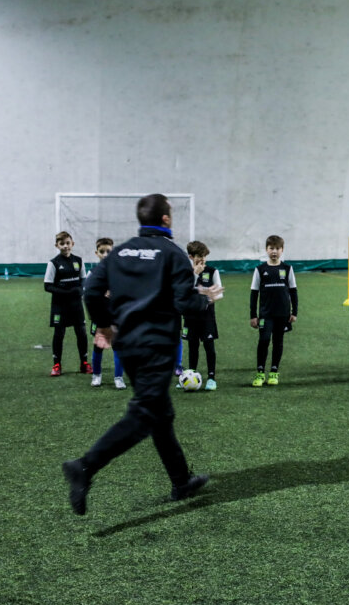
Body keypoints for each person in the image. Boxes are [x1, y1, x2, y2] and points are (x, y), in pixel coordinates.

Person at [61, 193, 222, 515]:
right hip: (156, 347)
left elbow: (90, 291)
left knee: (160, 414)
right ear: (165, 219)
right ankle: (84, 466)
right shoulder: (172, 254)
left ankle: (181, 481)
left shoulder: (119, 252)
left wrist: (105, 326)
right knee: (145, 415)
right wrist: (207, 299)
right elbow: (185, 303)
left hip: (128, 347)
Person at [250, 235, 298, 387]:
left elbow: (293, 291)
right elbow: (254, 293)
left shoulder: (287, 269)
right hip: (266, 314)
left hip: (282, 314)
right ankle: (259, 373)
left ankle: (274, 372)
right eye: (271, 248)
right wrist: (253, 315)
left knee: (278, 342)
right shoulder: (260, 269)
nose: (274, 252)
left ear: (282, 250)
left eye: (277, 249)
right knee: (264, 341)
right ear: (266, 250)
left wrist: (294, 312)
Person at [45, 231, 90, 377]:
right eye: (62, 244)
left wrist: (81, 289)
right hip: (60, 305)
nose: (65, 246)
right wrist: (67, 293)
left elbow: (84, 280)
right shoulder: (53, 263)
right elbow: (47, 286)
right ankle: (57, 365)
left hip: (76, 305)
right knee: (59, 333)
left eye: (67, 243)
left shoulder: (78, 261)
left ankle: (84, 363)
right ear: (57, 245)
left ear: (72, 244)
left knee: (81, 332)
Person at [87, 237, 125, 389]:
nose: (105, 254)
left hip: (115, 314)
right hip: (100, 316)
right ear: (97, 253)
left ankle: (118, 377)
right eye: (102, 252)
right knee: (99, 345)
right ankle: (96, 375)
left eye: (108, 251)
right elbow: (88, 293)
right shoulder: (92, 274)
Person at [182, 240, 220, 390]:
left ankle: (211, 378)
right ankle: (191, 374)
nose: (203, 259)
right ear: (191, 256)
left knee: (209, 346)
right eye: (199, 256)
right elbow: (184, 291)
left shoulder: (212, 271)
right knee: (193, 346)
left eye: (204, 256)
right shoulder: (186, 272)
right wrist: (195, 275)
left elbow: (218, 294)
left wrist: (207, 297)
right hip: (190, 316)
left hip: (207, 316)